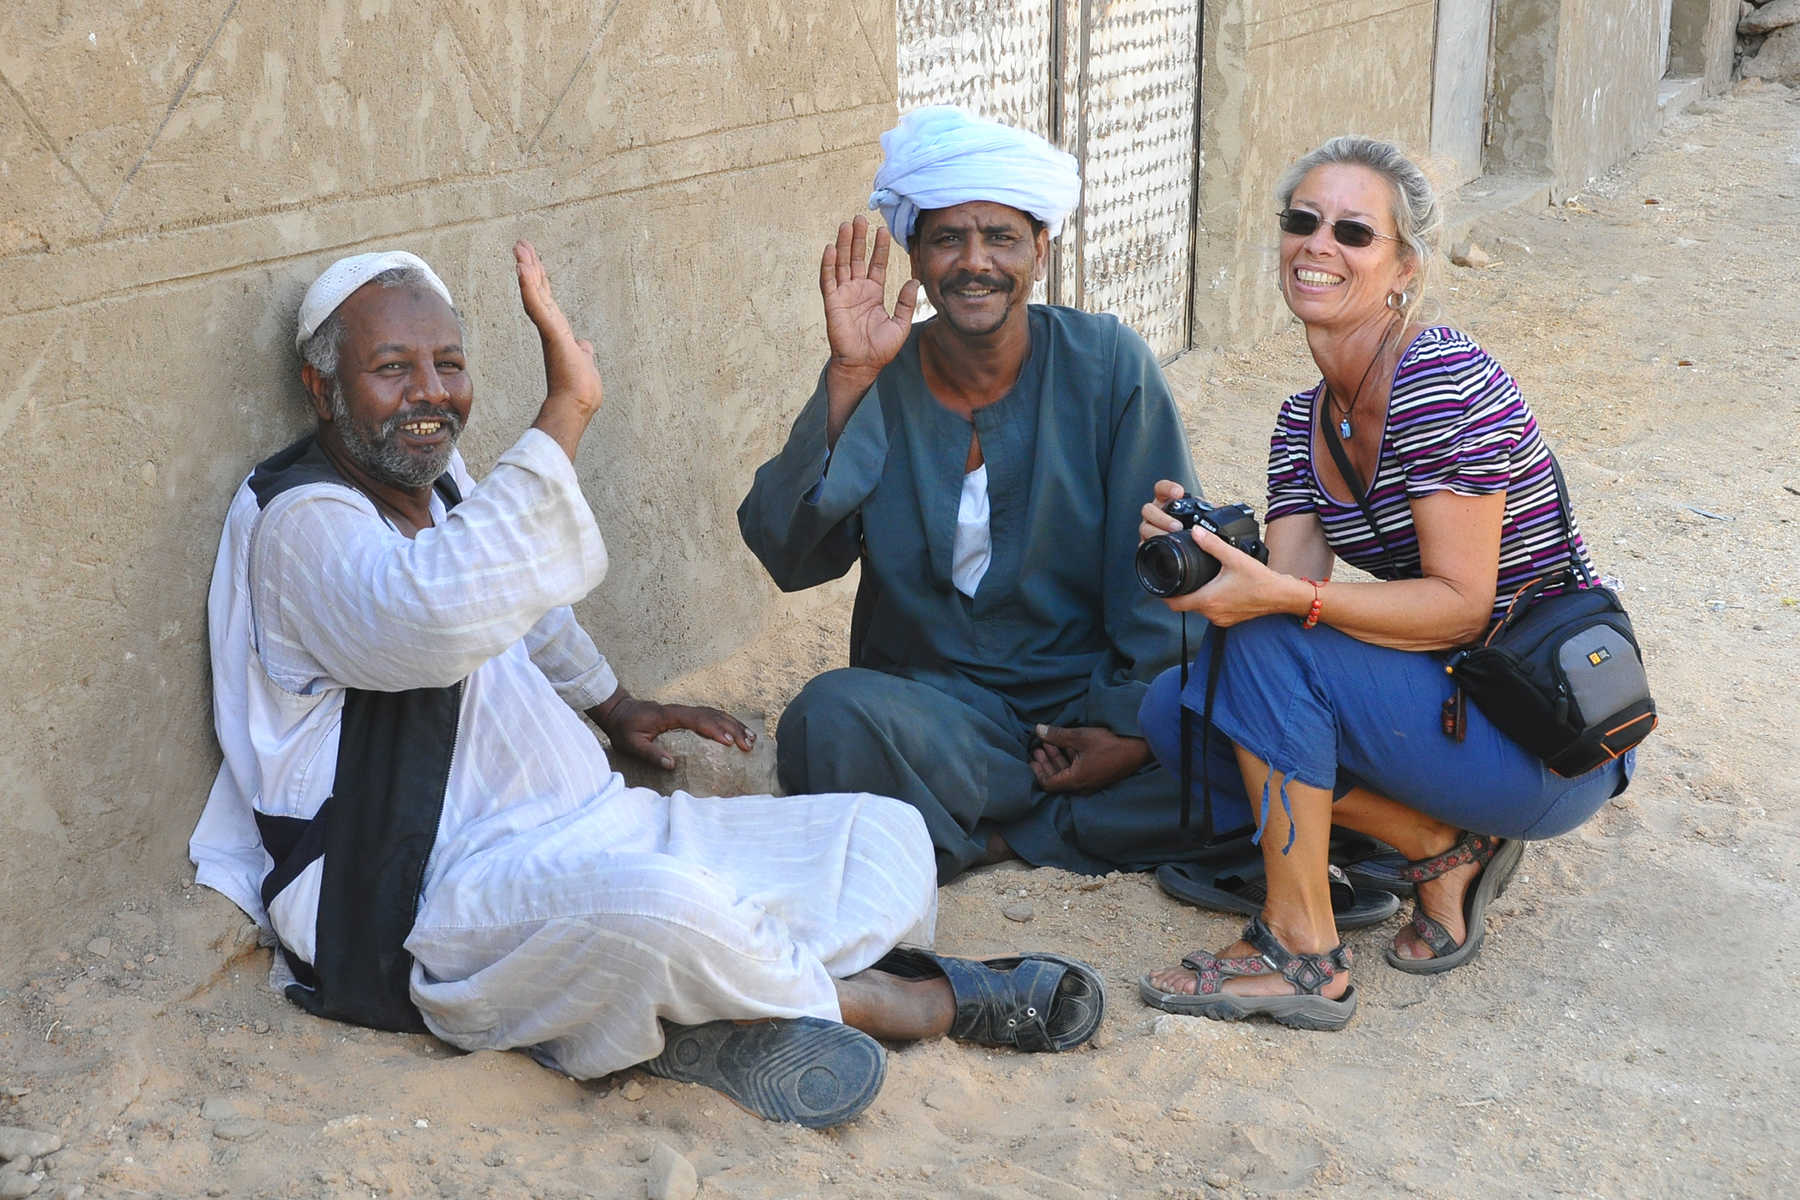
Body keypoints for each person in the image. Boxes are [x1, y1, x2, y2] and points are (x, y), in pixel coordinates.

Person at [189, 244, 1105, 1129]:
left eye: (449, 363)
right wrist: (566, 410)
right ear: (321, 388)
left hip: (594, 829)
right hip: (431, 895)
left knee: (883, 835)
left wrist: (613, 705)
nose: (431, 392)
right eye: (393, 367)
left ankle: (675, 1019)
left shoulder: (441, 484)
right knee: (660, 911)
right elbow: (434, 618)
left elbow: (524, 600)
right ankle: (892, 1001)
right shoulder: (299, 519)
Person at [1134, 136, 1634, 1030]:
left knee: (1272, 639)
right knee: (1180, 704)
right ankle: (1437, 847)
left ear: (1403, 267)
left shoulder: (1439, 378)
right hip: (1458, 710)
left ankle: (1302, 950)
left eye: (1354, 232)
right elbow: (1275, 597)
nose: (1318, 245)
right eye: (1303, 221)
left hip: (1549, 733)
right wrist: (1210, 560)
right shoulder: (1304, 420)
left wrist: (1282, 601)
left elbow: (1460, 604)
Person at [739, 106, 1202, 882]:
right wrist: (848, 380)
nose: (974, 262)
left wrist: (1128, 729)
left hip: (1083, 704)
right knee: (825, 721)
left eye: (1001, 238)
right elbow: (789, 555)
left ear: (1040, 252)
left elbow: (1165, 568)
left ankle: (992, 829)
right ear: (916, 258)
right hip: (936, 712)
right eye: (948, 239)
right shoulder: (878, 379)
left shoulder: (1108, 366)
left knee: (1238, 721)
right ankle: (1055, 823)